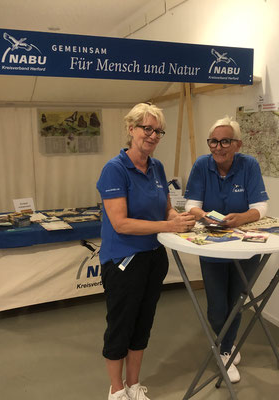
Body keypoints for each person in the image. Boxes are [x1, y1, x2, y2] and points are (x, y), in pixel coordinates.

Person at [97, 103, 195, 400]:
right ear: (131, 130)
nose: (152, 136)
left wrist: (178, 218)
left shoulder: (157, 167)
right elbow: (121, 223)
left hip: (154, 257)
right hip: (124, 261)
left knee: (143, 325)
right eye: (147, 129)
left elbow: (165, 208)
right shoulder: (115, 170)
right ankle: (116, 390)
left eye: (158, 131)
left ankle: (133, 385)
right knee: (121, 326)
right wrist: (166, 225)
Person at [184, 116, 269, 383]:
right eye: (213, 141)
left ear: (237, 144)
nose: (218, 147)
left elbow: (261, 207)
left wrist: (242, 217)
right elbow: (190, 204)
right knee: (217, 306)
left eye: (225, 141)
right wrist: (202, 215)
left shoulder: (249, 165)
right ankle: (226, 346)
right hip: (213, 247)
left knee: (237, 301)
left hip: (244, 247)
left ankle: (225, 350)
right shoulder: (201, 165)